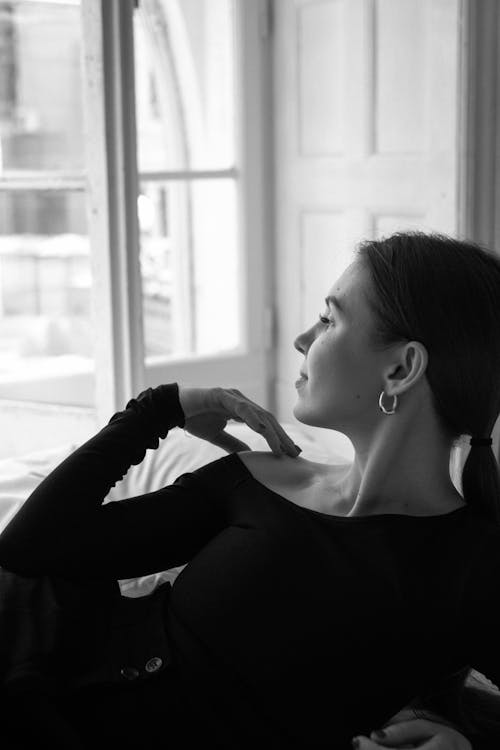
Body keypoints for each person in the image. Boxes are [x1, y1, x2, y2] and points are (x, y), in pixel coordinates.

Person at [0, 229, 499, 749]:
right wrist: (160, 408)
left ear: (401, 368)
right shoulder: (259, 477)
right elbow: (30, 548)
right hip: (34, 662)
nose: (302, 339)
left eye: (329, 319)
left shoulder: (472, 565)